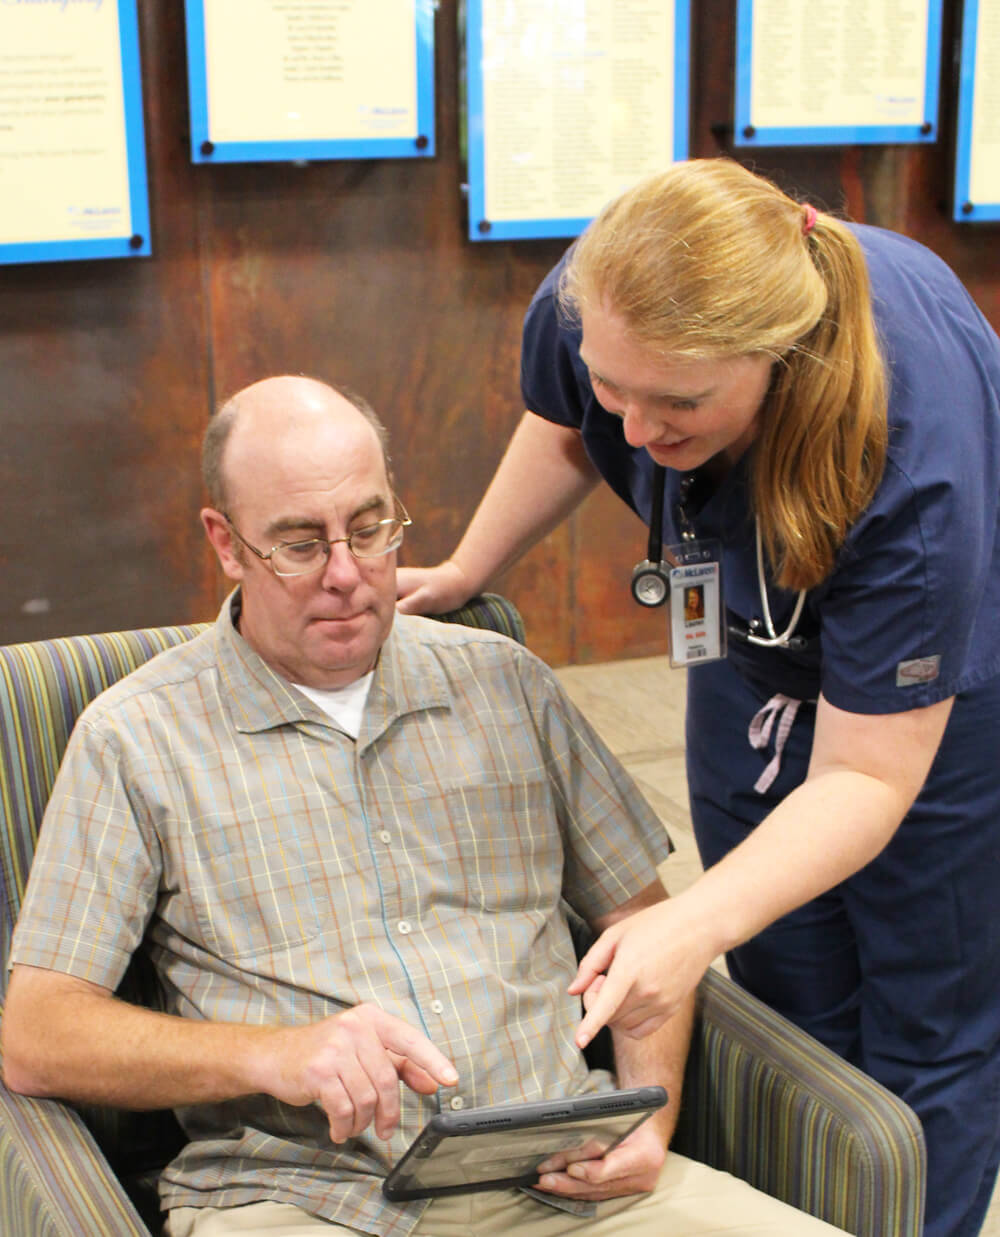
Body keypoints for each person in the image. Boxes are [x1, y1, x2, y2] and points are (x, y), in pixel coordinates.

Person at [1, 375, 844, 1237]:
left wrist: (652, 1121)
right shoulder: (137, 739)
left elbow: (646, 934)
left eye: (370, 529)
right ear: (225, 542)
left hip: (569, 1180)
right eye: (297, 544)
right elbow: (37, 1034)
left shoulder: (504, 683)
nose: (346, 574)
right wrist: (273, 1053)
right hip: (309, 1200)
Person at [395, 159, 1000, 1237]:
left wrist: (686, 930)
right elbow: (566, 423)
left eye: (675, 403)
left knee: (926, 1007)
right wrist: (465, 568)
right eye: (615, 386)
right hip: (749, 639)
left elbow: (866, 771)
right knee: (787, 975)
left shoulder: (912, 454)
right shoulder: (598, 298)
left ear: (777, 361)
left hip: (935, 686)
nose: (633, 429)